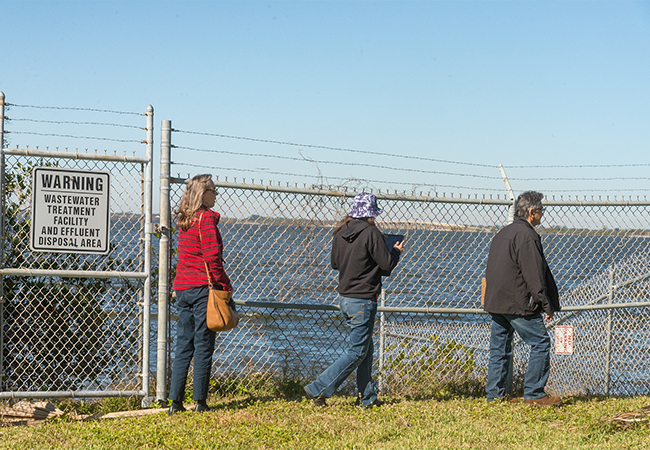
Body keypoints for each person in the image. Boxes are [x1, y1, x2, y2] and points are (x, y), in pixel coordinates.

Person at [304, 192, 404, 408]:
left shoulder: (340, 233)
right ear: (371, 214)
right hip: (364, 299)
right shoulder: (371, 233)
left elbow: (335, 264)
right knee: (358, 351)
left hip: (345, 298)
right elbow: (386, 266)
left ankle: (367, 398)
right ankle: (318, 388)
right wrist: (395, 252)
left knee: (365, 348)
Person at [484, 191, 561, 406]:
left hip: (496, 301)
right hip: (517, 302)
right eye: (541, 211)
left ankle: (495, 395)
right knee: (540, 342)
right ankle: (535, 393)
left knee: (499, 349)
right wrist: (546, 305)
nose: (542, 215)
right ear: (531, 212)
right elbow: (534, 274)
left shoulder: (503, 233)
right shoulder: (528, 236)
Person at [168, 174, 232, 416]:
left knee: (184, 345)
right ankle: (200, 401)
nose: (216, 195)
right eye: (213, 190)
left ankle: (175, 401)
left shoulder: (185, 219)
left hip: (182, 288)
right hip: (202, 289)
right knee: (204, 345)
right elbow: (212, 258)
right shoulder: (205, 219)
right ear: (203, 193)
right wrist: (224, 284)